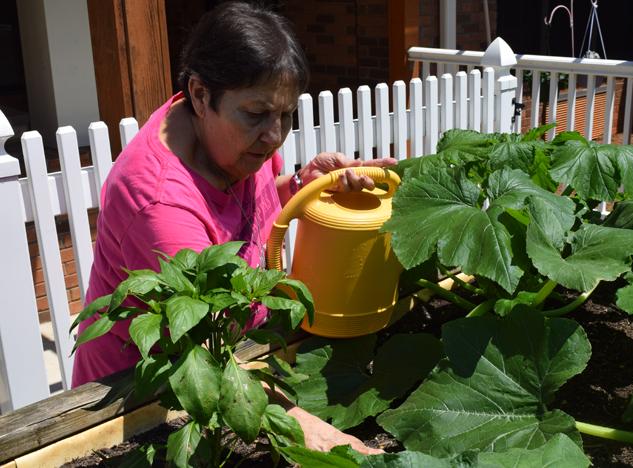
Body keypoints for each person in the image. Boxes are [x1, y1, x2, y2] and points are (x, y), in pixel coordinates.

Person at [71, 2, 395, 454]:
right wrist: (322, 439)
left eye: (286, 115)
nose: (274, 135)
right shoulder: (159, 203)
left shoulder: (225, 142)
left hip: (241, 358)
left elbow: (245, 207)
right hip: (140, 403)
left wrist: (302, 185)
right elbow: (211, 355)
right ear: (201, 94)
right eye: (257, 114)